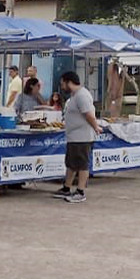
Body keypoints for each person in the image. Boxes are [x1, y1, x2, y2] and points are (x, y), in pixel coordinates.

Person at [55, 71, 102, 204]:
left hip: (82, 137)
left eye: (62, 84)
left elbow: (88, 114)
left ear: (68, 82)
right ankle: (66, 187)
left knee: (82, 165)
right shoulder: (74, 96)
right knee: (71, 164)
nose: (62, 87)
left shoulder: (82, 95)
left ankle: (80, 191)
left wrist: (96, 127)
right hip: (74, 137)